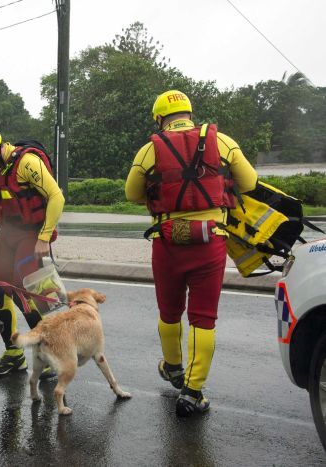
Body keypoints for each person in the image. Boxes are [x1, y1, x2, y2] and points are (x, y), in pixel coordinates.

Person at [125, 90, 257, 417]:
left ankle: (172, 367)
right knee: (203, 318)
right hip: (210, 241)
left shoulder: (149, 150)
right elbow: (250, 182)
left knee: (169, 312)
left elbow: (131, 194)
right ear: (189, 113)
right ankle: (193, 392)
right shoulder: (223, 142)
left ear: (159, 118)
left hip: (167, 242)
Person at [0, 128, 64, 377]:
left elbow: (56, 197)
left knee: (29, 292)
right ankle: (13, 353)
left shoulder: (27, 163)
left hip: (32, 233)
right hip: (8, 233)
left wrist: (44, 237)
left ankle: (52, 354)